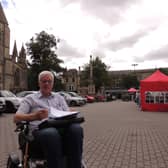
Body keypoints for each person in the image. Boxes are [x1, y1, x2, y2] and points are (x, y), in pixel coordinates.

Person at [14, 70, 83, 168]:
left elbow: (67, 113)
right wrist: (35, 116)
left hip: (61, 129)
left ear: (52, 83)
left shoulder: (59, 98)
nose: (46, 83)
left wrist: (71, 113)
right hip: (39, 132)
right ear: (39, 83)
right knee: (51, 133)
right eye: (44, 81)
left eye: (49, 81)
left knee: (76, 129)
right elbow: (16, 118)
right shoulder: (30, 98)